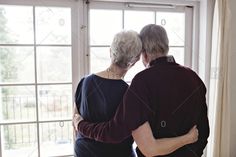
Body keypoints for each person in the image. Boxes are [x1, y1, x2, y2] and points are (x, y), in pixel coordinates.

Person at [74, 25, 210, 157]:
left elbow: (115, 133)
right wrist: (188, 142)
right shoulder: (194, 77)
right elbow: (203, 132)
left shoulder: (141, 83)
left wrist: (80, 124)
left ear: (143, 55)